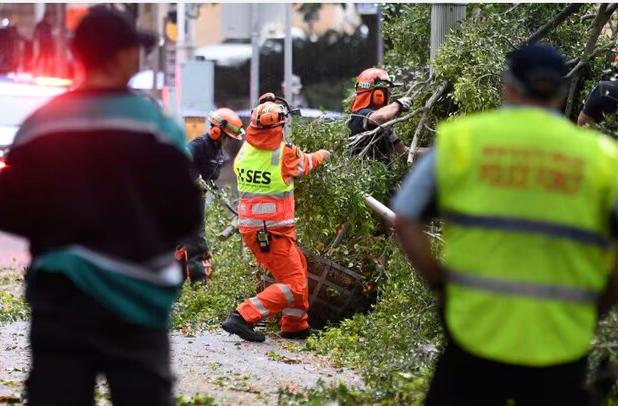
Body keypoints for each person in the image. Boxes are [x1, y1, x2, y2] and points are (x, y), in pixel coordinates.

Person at [393, 43, 618, 405]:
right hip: (561, 342)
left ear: (507, 86)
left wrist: (439, 284)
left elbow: (405, 218)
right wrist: (602, 304)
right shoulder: (603, 159)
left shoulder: (463, 140)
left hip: (475, 336)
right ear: (561, 93)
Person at [0, 6, 202, 405]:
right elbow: (186, 213)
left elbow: (10, 206)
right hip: (139, 302)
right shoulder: (157, 127)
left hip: (62, 298)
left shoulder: (42, 124)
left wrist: (61, 236)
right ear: (123, 56)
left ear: (78, 54)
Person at [222, 97, 331, 342]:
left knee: (298, 269)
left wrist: (268, 102)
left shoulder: (246, 150)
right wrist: (325, 154)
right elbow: (307, 164)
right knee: (294, 285)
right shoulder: (284, 153)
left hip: (256, 229)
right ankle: (241, 315)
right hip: (271, 232)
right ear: (278, 128)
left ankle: (295, 325)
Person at [177, 108, 245, 283]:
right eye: (227, 136)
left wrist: (213, 186)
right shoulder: (198, 145)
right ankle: (200, 282)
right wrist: (193, 178)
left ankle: (180, 277)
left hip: (198, 199)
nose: (227, 141)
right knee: (196, 239)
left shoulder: (219, 152)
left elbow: (213, 175)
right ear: (217, 130)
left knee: (185, 240)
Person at [347, 67, 411, 161]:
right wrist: (399, 104)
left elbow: (404, 152)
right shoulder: (361, 116)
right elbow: (381, 117)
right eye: (386, 91)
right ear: (378, 94)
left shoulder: (382, 126)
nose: (389, 95)